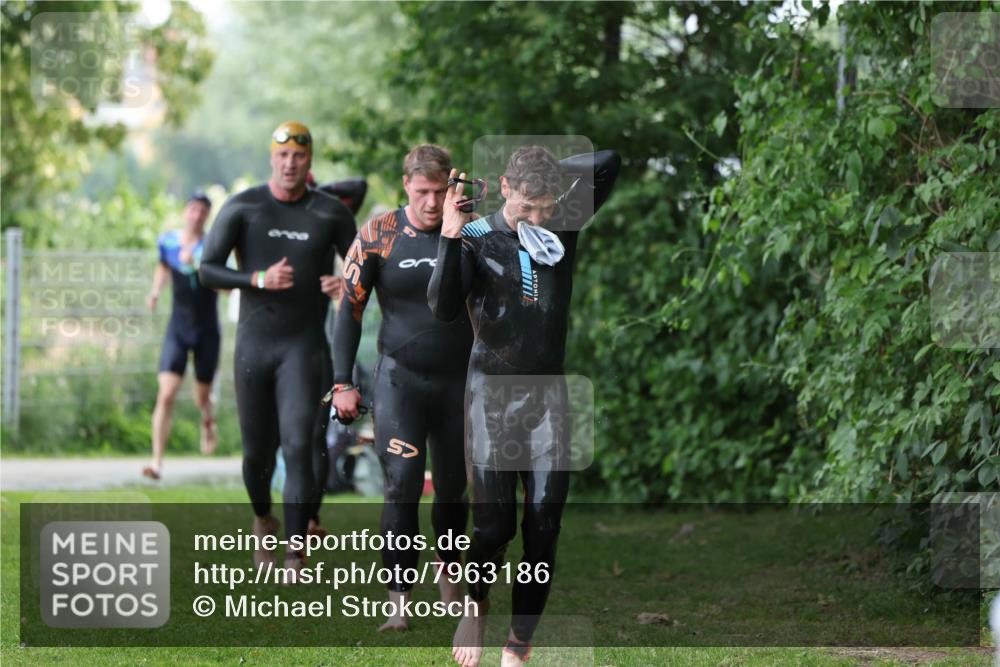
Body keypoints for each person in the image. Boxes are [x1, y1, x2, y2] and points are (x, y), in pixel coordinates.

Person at [428, 146, 621, 666]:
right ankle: (476, 602)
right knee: (495, 529)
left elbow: (610, 161)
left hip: (551, 398)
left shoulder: (563, 227)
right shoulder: (473, 237)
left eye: (548, 207)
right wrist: (448, 233)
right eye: (528, 206)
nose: (539, 219)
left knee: (544, 523)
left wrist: (553, 174)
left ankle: (518, 646)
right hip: (490, 396)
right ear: (505, 188)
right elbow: (443, 307)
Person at [199, 121, 356, 577]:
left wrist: (344, 284)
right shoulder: (244, 207)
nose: (290, 165)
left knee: (299, 446)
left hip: (303, 347)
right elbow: (207, 269)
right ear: (272, 158)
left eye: (300, 158)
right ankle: (263, 517)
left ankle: (294, 553)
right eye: (283, 157)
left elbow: (363, 272)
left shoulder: (329, 214)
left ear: (309, 163)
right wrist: (256, 279)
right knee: (256, 456)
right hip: (254, 346)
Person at [332, 144, 473, 631]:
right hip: (400, 381)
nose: (431, 203)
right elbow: (349, 313)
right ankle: (399, 602)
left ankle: (449, 574)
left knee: (454, 489)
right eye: (421, 193)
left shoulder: (470, 232)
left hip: (459, 383)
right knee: (402, 486)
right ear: (405, 187)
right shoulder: (378, 235)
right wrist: (341, 383)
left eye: (438, 192)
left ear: (449, 187)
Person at [143, 191, 219, 481]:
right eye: (193, 209)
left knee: (201, 396)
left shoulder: (212, 245)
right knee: (166, 394)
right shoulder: (168, 241)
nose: (197, 215)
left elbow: (226, 287)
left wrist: (200, 266)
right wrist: (154, 291)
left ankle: (207, 421)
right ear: (186, 210)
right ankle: (157, 462)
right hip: (178, 328)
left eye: (203, 211)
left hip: (207, 330)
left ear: (207, 215)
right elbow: (163, 266)